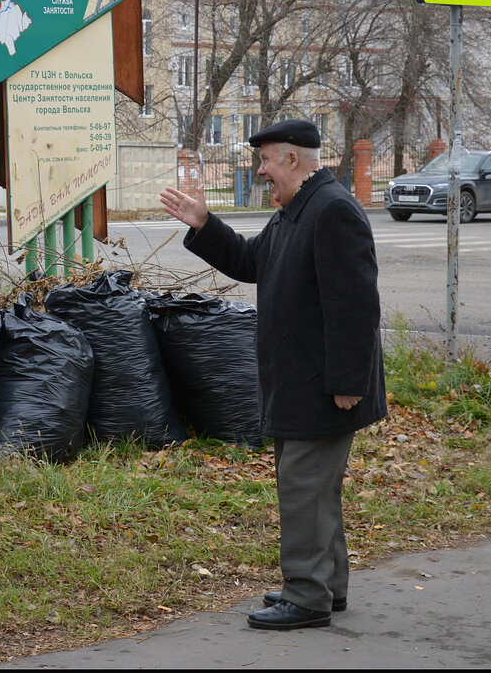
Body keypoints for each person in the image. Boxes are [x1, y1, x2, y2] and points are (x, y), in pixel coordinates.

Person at [159, 119, 386, 630]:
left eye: (265, 160)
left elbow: (355, 306)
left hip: (325, 385)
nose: (260, 171)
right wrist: (203, 222)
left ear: (292, 160)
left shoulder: (332, 212)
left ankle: (306, 597)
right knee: (315, 488)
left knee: (303, 486)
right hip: (300, 381)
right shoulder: (296, 211)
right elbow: (250, 260)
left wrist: (349, 381)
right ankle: (327, 585)